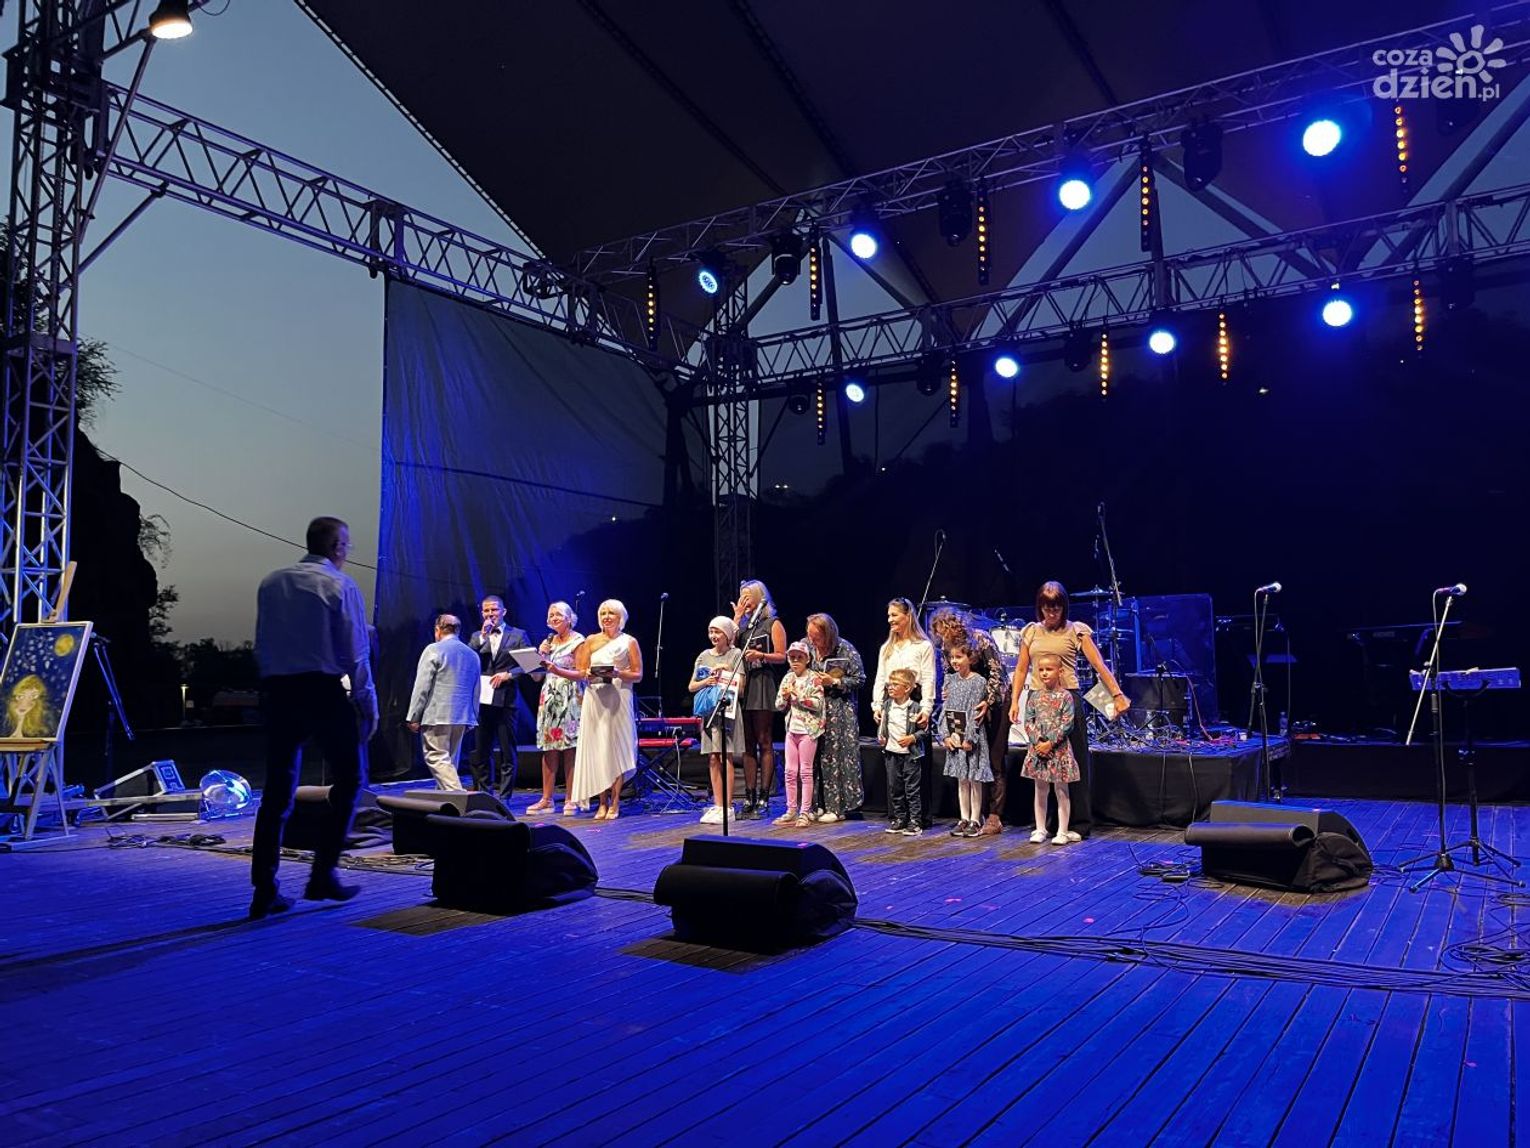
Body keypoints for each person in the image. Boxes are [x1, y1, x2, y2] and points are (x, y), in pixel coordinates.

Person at [249, 516, 377, 920]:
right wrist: (367, 703)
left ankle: (264, 888)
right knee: (351, 778)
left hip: (279, 690)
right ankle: (322, 873)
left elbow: (262, 641)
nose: (347, 552)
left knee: (277, 790)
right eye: (347, 545)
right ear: (337, 546)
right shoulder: (340, 584)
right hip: (321, 688)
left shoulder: (271, 582)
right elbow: (355, 652)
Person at [1006, 581, 1131, 840]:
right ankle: (1047, 825)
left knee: (1073, 762)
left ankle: (1078, 823)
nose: (1051, 613)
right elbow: (1020, 669)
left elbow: (1099, 665)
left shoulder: (1076, 631)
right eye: (1046, 608)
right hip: (1039, 701)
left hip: (1067, 700)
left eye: (1056, 608)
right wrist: (1015, 701)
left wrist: (1117, 694)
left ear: (1064, 607)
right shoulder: (1031, 632)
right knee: (1043, 762)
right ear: (1040, 608)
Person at [545, 599, 641, 820]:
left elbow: (638, 674)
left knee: (616, 750)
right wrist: (560, 670)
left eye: (611, 613)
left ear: (620, 617)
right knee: (598, 750)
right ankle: (602, 802)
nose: (606, 617)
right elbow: (581, 672)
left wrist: (618, 673)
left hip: (619, 698)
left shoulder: (629, 642)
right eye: (603, 613)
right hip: (595, 699)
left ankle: (615, 803)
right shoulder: (590, 640)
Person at [929, 607, 1011, 835]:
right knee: (970, 759)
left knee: (993, 758)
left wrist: (988, 701)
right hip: (966, 703)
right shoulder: (946, 648)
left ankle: (994, 815)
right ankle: (973, 816)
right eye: (938, 633)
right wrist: (948, 692)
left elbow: (996, 673)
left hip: (995, 701)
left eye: (943, 631)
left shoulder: (979, 639)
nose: (941, 637)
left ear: (953, 626)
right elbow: (949, 675)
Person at [405, 614, 480, 792]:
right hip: (462, 716)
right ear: (458, 630)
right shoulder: (472, 655)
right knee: (449, 763)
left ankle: (459, 796)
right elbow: (476, 690)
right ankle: (448, 803)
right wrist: (473, 717)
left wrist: (414, 715)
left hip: (437, 714)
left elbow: (422, 685)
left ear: (437, 630)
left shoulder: (434, 649)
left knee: (436, 756)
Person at [731, 579, 787, 818]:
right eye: (741, 596)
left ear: (758, 597)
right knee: (747, 744)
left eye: (747, 595)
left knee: (764, 740)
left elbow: (782, 656)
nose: (744, 600)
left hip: (763, 682)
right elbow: (730, 648)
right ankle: (749, 796)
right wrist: (736, 619)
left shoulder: (772, 623)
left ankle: (764, 796)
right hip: (745, 684)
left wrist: (761, 655)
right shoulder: (744, 627)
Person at [467, 595, 532, 799]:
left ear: (503, 611)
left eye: (494, 610)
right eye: (486, 611)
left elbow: (531, 665)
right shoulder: (476, 636)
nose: (490, 614)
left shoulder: (518, 635)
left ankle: (505, 797)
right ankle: (485, 794)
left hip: (507, 699)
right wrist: (483, 637)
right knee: (481, 750)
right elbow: (468, 659)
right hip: (483, 700)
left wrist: (509, 674)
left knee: (506, 750)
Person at [804, 612, 866, 823]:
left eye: (817, 637)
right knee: (813, 757)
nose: (812, 641)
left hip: (839, 710)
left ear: (828, 634)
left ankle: (837, 807)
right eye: (810, 636)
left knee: (834, 756)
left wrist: (835, 682)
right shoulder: (807, 647)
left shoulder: (845, 649)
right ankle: (816, 804)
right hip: (813, 710)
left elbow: (859, 679)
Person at [529, 601, 584, 816]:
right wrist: (539, 656)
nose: (554, 618)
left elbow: (582, 673)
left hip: (570, 697)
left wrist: (556, 669)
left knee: (569, 748)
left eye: (558, 614)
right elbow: (536, 677)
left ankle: (571, 798)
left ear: (569, 619)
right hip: (549, 699)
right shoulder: (548, 642)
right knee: (549, 748)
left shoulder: (578, 641)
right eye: (551, 615)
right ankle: (547, 799)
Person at [690, 615, 745, 826]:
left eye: (717, 632)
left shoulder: (735, 654)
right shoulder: (704, 656)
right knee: (713, 758)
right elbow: (692, 686)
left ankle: (728, 807)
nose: (713, 635)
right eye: (711, 631)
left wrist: (726, 672)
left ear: (727, 635)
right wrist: (708, 680)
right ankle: (718, 804)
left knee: (725, 756)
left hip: (727, 711)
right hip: (709, 713)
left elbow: (741, 688)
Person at [1022, 652, 1081, 845]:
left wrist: (1050, 743)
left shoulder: (1065, 697)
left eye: (1049, 669)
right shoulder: (1035, 696)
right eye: (1041, 670)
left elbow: (1067, 723)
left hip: (1058, 750)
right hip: (1038, 750)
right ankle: (1040, 829)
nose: (1045, 673)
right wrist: (1038, 741)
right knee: (1040, 788)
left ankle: (1062, 831)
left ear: (1060, 671)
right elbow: (1028, 721)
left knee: (1061, 790)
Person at [941, 638, 992, 838]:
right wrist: (946, 735)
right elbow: (946, 709)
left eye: (959, 656)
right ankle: (963, 817)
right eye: (952, 657)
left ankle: (975, 819)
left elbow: (975, 711)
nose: (954, 661)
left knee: (974, 778)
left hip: (972, 738)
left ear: (970, 658)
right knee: (962, 779)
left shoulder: (979, 681)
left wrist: (969, 737)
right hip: (955, 736)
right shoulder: (950, 680)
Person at [774, 640, 825, 828]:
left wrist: (799, 697)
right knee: (789, 771)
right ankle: (791, 809)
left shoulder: (814, 678)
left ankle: (805, 811)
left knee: (805, 771)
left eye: (799, 657)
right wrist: (786, 697)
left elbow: (818, 704)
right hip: (792, 730)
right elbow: (778, 705)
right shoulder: (788, 678)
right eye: (792, 657)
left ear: (807, 659)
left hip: (808, 731)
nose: (795, 661)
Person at [877, 666, 924, 836]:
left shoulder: (915, 707)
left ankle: (915, 821)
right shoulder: (887, 705)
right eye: (889, 684)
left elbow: (924, 731)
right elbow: (883, 724)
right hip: (892, 753)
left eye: (895, 684)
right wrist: (881, 736)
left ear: (907, 688)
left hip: (910, 755)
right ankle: (900, 818)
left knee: (911, 789)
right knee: (895, 788)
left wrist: (912, 738)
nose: (890, 687)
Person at [4, 674, 55, 739]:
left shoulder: (45, 719)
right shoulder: (8, 720)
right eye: (21, 696)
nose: (24, 703)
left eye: (32, 697)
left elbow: (47, 739)